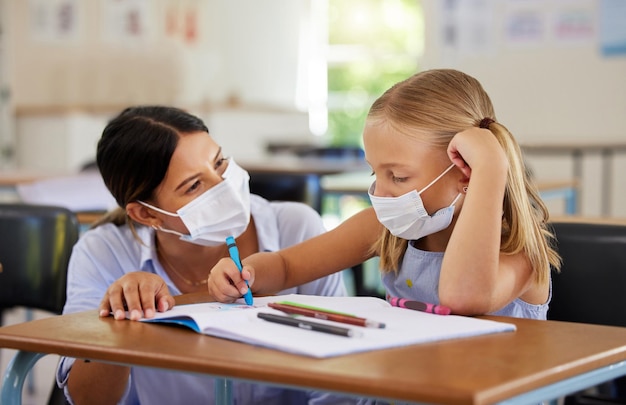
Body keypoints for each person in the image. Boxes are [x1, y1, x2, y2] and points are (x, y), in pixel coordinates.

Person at [207, 68, 562, 320]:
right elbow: (287, 267)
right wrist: (246, 272)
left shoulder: (520, 254)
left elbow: (462, 298)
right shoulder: (386, 229)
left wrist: (491, 170)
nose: (380, 191)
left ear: (465, 173)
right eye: (375, 172)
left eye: (399, 176)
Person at [56, 106, 350, 405]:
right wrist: (119, 320)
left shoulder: (295, 228)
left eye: (219, 162)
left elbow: (341, 377)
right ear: (146, 214)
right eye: (194, 185)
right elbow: (88, 399)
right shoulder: (102, 253)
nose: (223, 186)